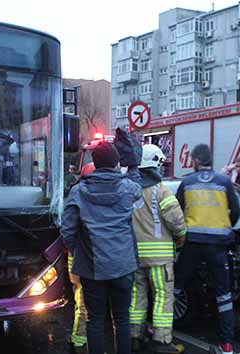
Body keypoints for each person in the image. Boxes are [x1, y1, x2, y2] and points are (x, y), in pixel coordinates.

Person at [61, 128, 142, 354]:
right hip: (123, 266)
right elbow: (137, 185)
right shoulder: (127, 188)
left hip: (92, 267)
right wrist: (133, 164)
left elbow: (67, 231)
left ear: (94, 162)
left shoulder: (78, 191)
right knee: (122, 319)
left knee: (95, 320)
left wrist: (79, 249)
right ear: (117, 163)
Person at [174, 144, 240, 354]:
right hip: (218, 246)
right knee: (224, 294)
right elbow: (236, 210)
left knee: (175, 288)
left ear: (195, 160)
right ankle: (227, 345)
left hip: (191, 243)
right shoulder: (224, 182)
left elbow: (176, 212)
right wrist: (224, 226)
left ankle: (161, 333)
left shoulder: (187, 182)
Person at [129, 144, 187, 354]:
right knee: (163, 297)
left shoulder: (131, 190)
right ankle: (161, 341)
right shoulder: (161, 191)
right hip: (160, 259)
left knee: (137, 297)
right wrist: (180, 241)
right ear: (155, 164)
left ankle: (135, 337)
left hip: (135, 258)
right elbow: (177, 223)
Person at [67, 162, 95, 354]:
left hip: (77, 260)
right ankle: (82, 341)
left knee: (82, 302)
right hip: (90, 260)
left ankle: (78, 341)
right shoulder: (101, 197)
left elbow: (67, 231)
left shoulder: (76, 194)